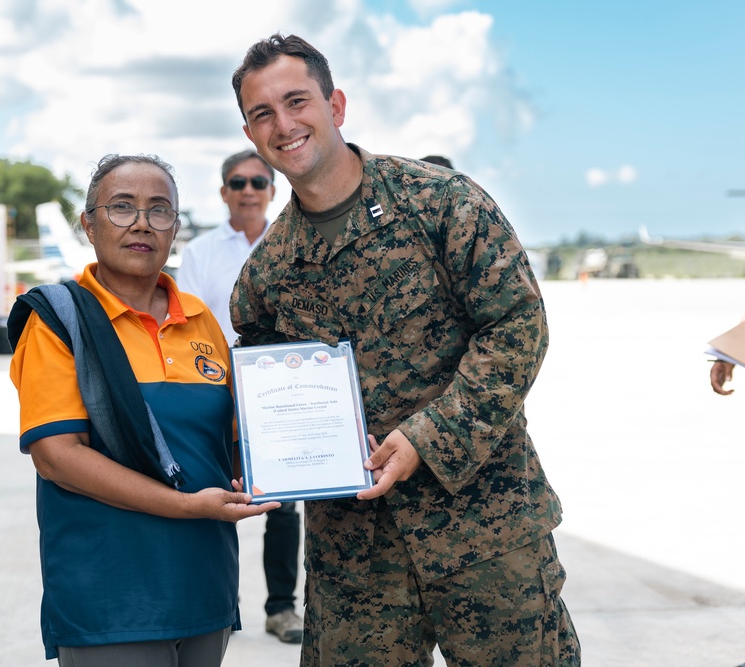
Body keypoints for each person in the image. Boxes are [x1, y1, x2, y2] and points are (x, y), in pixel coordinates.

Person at [229, 34, 581, 666]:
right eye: (262, 113)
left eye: (297, 101)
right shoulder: (268, 274)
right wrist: (255, 454)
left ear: (335, 105)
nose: (283, 124)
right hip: (355, 561)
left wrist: (427, 436)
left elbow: (517, 327)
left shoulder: (442, 204)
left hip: (485, 528)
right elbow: (258, 392)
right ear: (251, 133)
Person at [8, 153, 277, 665]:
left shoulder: (202, 323)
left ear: (175, 227)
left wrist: (316, 454)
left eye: (159, 210)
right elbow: (57, 456)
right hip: (110, 597)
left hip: (204, 585)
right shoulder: (59, 323)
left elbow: (237, 443)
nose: (140, 224)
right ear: (89, 224)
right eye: (121, 207)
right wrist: (185, 505)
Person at [177, 149, 304, 644]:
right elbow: (186, 325)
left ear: (273, 190)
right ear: (224, 191)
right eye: (238, 182)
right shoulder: (201, 252)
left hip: (279, 393)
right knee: (209, 498)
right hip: (216, 392)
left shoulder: (296, 245)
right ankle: (214, 608)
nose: (248, 190)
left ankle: (281, 609)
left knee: (284, 506)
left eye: (258, 181)